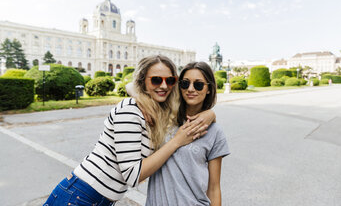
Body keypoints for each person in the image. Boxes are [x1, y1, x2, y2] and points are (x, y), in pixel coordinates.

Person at [43, 55, 215, 206]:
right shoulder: (131, 110)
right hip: (80, 195)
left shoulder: (157, 110)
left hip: (94, 197)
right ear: (143, 81)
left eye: (170, 80)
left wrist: (210, 114)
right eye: (156, 80)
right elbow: (133, 175)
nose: (164, 86)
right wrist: (177, 141)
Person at [146, 61, 230, 206]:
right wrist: (211, 113)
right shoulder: (163, 116)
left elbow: (214, 187)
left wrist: (210, 114)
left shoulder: (215, 132)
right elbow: (134, 88)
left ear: (209, 89)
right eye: (185, 83)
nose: (190, 89)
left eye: (198, 84)